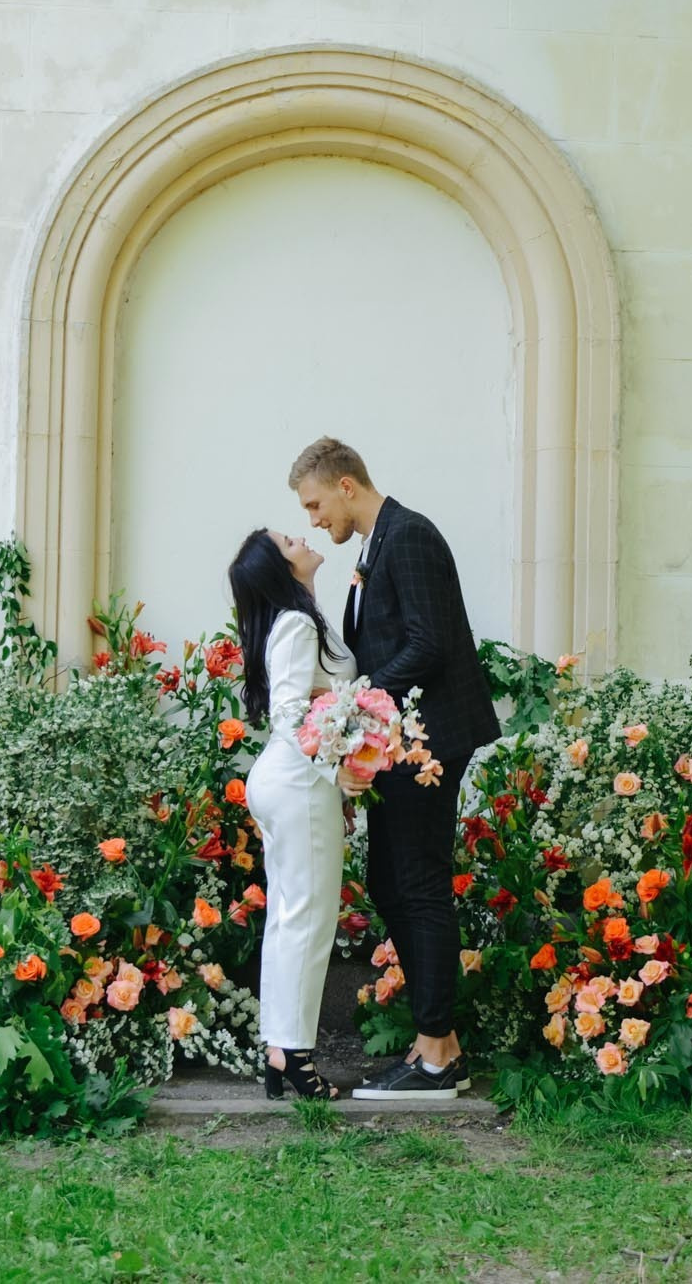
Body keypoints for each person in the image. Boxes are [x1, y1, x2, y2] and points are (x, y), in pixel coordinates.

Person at [288, 437, 498, 1100]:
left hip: (429, 742)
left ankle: (438, 1056)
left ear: (346, 484)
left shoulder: (406, 537)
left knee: (419, 884)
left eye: (316, 503)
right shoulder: (374, 547)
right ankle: (438, 1041)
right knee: (388, 879)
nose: (315, 518)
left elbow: (428, 646)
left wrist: (357, 701)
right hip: (402, 744)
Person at [227, 527, 363, 1099]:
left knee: (291, 917)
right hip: (298, 783)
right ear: (281, 571)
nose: (302, 536)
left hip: (293, 783)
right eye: (289, 542)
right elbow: (288, 712)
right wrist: (336, 773)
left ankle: (281, 1049)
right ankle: (294, 1055)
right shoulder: (297, 622)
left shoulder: (300, 618)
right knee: (307, 921)